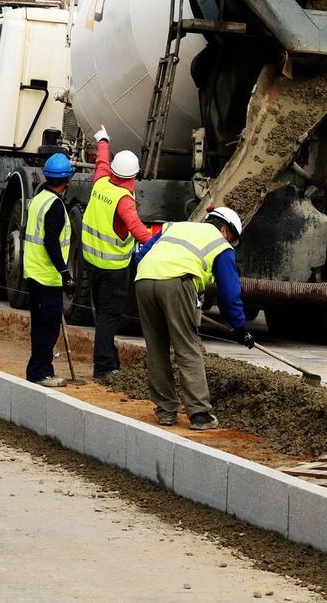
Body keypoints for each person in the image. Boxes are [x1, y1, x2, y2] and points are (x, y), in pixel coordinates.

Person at [133, 206, 254, 430]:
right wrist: (239, 327)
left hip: (144, 279)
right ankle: (199, 414)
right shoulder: (221, 245)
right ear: (225, 230)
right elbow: (229, 293)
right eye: (232, 238)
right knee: (187, 347)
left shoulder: (174, 227)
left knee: (156, 349)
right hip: (177, 282)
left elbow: (140, 256)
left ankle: (166, 412)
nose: (231, 242)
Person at [79, 126, 153, 382]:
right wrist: (160, 242)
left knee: (102, 316)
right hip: (114, 270)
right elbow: (137, 229)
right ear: (133, 176)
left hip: (93, 265)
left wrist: (103, 141)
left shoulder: (101, 182)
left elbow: (101, 162)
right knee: (108, 320)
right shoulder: (124, 199)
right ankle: (104, 370)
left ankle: (111, 362)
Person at [22, 153, 76, 388]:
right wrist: (65, 274)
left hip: (35, 273)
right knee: (47, 328)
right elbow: (51, 243)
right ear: (67, 180)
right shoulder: (54, 206)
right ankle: (40, 372)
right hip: (47, 277)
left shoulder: (38, 199)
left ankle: (41, 369)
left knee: (41, 327)